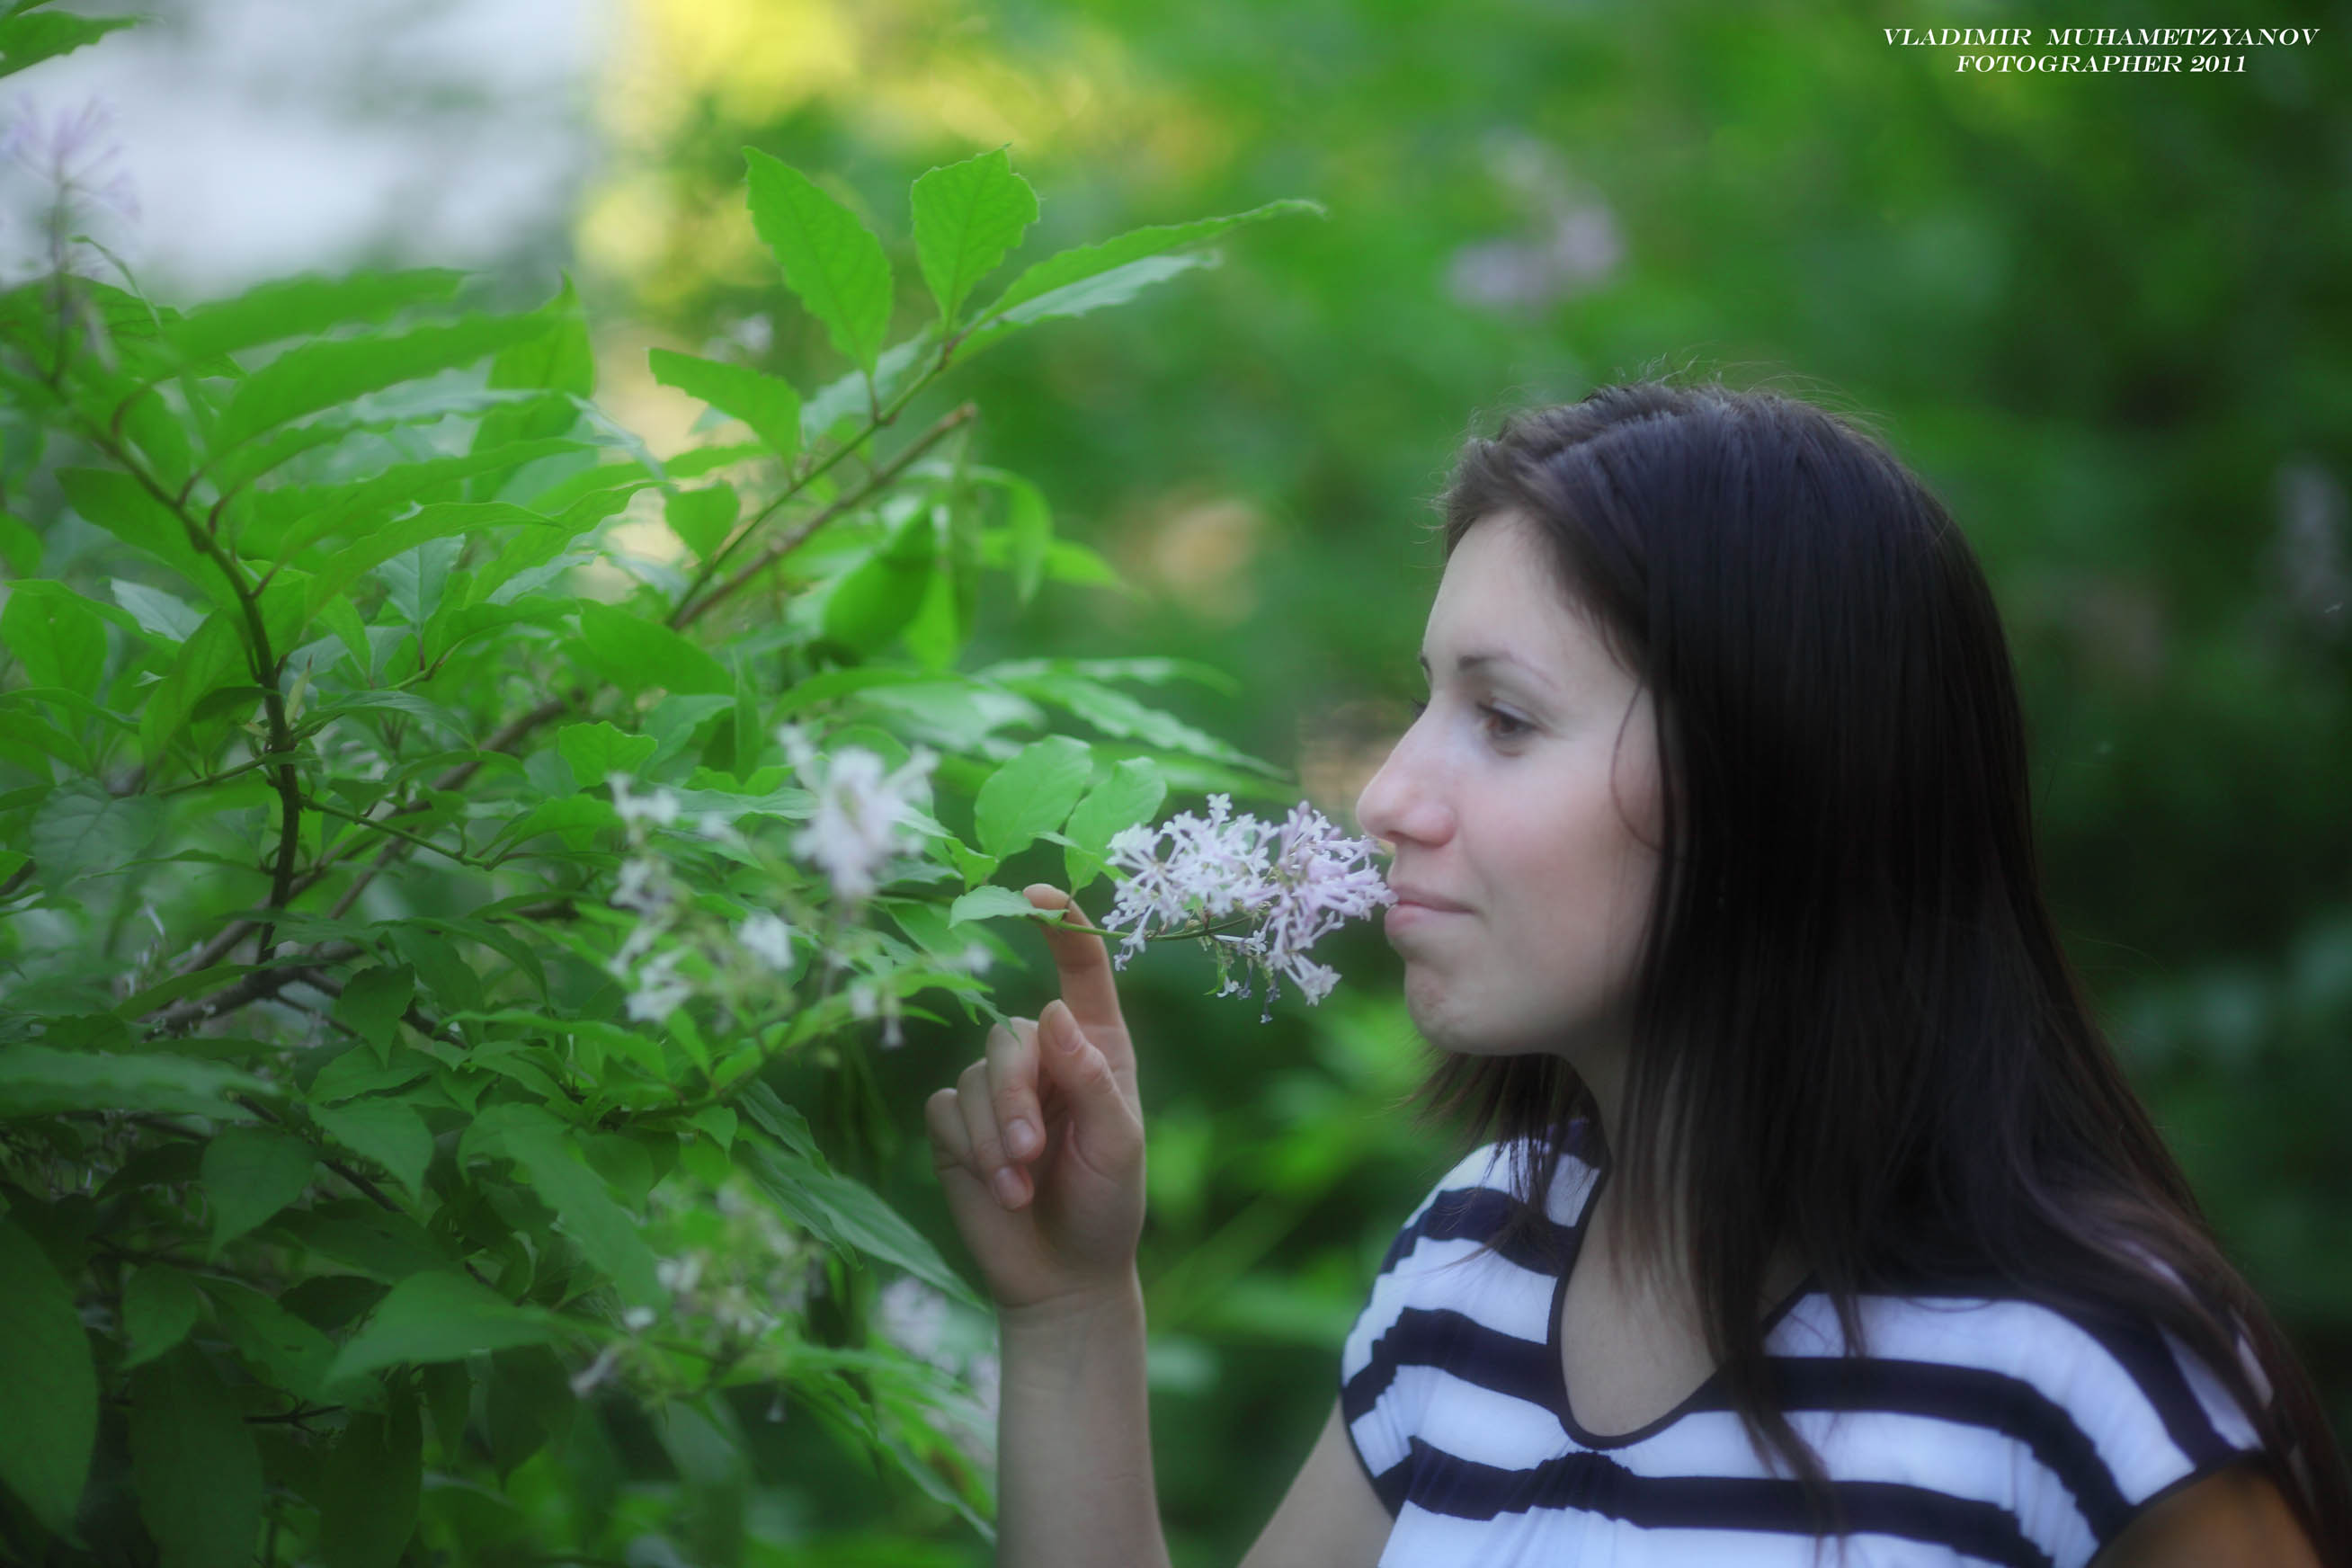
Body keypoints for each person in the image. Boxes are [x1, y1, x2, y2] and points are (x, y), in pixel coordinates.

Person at [922, 380, 2350, 1566]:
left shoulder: (2084, 1373)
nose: (1391, 795)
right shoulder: (1472, 1267)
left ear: (1768, 782)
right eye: (1428, 699)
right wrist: (1070, 1316)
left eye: (1505, 718)